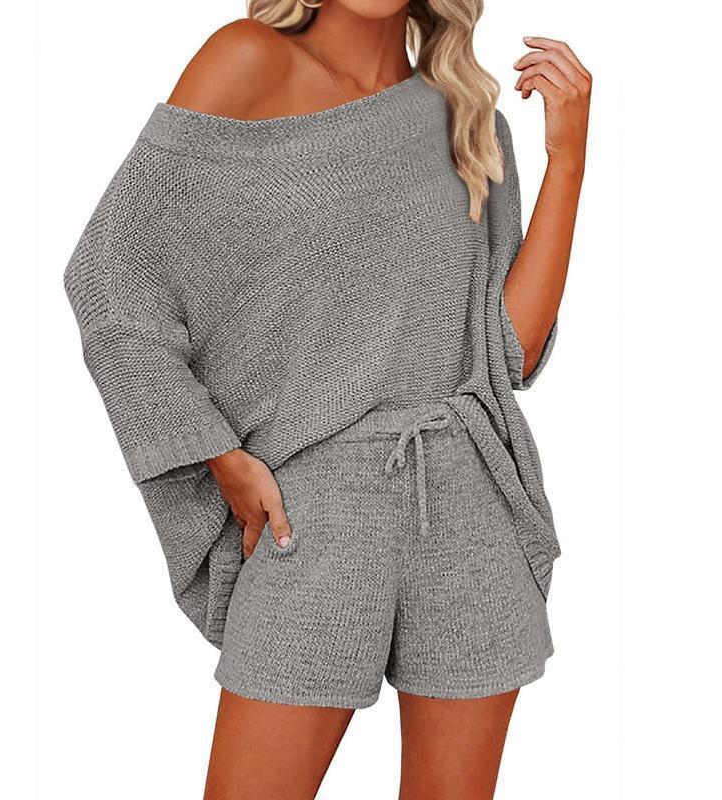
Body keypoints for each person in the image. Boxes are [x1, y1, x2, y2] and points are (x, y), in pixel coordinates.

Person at [63, 1, 590, 797]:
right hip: (312, 508)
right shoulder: (247, 58)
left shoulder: (465, 113)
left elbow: (505, 352)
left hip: (467, 496)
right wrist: (218, 455)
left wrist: (568, 159)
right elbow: (110, 275)